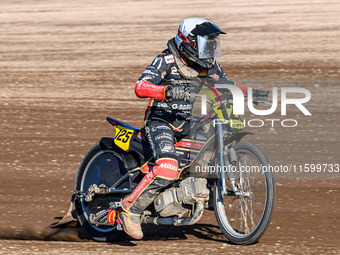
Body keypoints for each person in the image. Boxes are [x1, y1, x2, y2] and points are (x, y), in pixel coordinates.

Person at [90, 18, 262, 240]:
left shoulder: (208, 65)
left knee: (210, 142)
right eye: (205, 43)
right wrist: (167, 92)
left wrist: (251, 92)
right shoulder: (166, 61)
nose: (210, 49)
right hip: (161, 121)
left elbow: (227, 86)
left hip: (187, 123)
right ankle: (128, 210)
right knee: (168, 168)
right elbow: (140, 87)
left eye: (212, 44)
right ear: (188, 42)